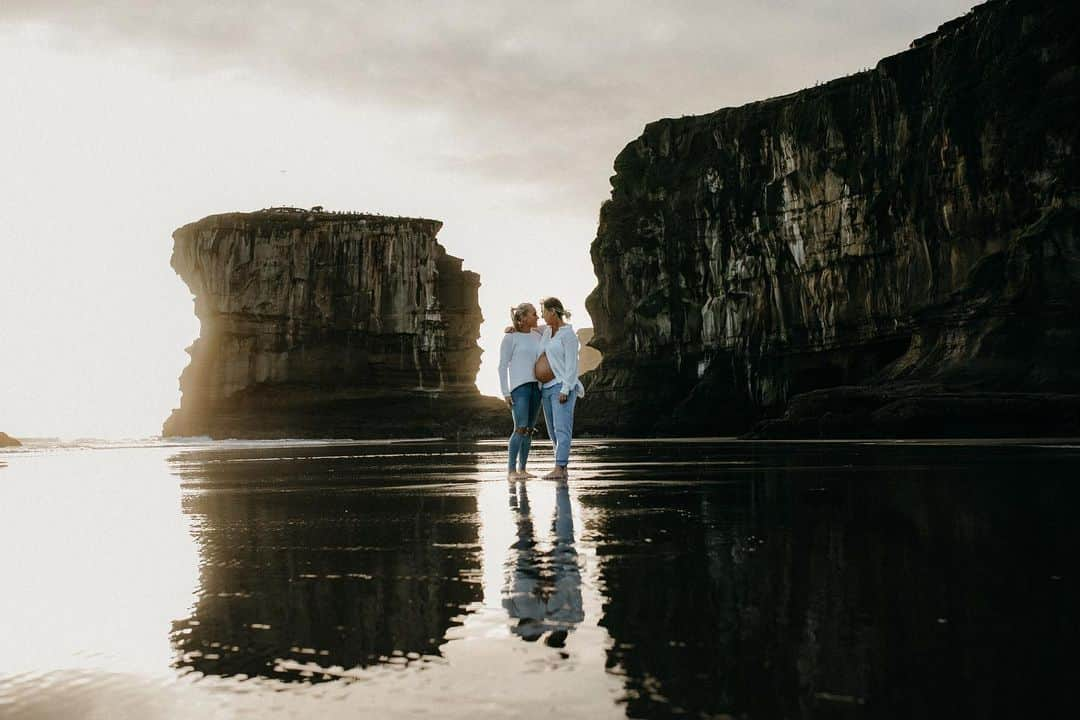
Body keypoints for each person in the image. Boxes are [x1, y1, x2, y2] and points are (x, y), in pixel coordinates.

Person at [536, 297, 584, 480]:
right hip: (545, 389)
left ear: (553, 311)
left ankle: (559, 467)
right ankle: (562, 469)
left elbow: (572, 365)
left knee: (562, 428)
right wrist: (512, 328)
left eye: (544, 312)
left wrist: (565, 389)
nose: (541, 315)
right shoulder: (547, 331)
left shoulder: (568, 335)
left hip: (561, 387)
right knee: (552, 431)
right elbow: (529, 329)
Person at [498, 302, 542, 478]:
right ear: (523, 317)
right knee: (520, 428)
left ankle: (523, 469)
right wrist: (505, 393)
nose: (537, 316)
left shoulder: (538, 334)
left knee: (530, 429)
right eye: (533, 314)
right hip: (519, 388)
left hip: (537, 387)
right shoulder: (510, 338)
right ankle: (511, 471)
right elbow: (502, 366)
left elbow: (555, 326)